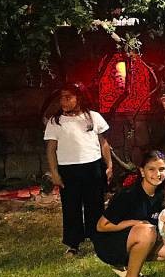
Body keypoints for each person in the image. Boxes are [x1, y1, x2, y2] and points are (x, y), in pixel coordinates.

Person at [93, 150, 165, 277]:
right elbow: (101, 226)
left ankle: (127, 267)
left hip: (136, 239)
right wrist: (135, 223)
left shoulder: (162, 195)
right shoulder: (128, 195)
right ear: (142, 171)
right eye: (151, 169)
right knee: (148, 231)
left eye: (161, 169)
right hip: (109, 244)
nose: (157, 174)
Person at [44, 82, 113, 257]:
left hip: (92, 167)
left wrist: (109, 165)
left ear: (79, 98)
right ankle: (73, 243)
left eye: (68, 97)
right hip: (68, 169)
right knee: (71, 206)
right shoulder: (55, 121)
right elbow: (51, 150)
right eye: (62, 98)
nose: (64, 101)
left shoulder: (93, 117)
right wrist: (54, 173)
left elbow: (103, 143)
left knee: (95, 204)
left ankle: (97, 239)